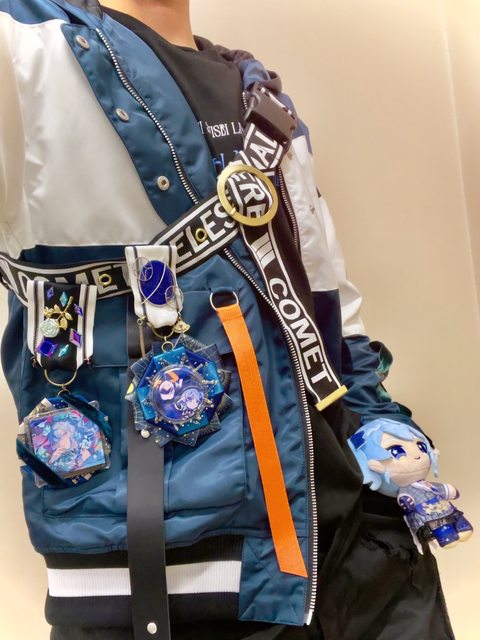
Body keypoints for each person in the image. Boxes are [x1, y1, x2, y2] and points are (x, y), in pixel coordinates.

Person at [0, 1, 455, 639]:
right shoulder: (26, 50)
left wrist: (380, 422)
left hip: (368, 551)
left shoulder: (265, 101)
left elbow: (329, 303)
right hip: (180, 587)